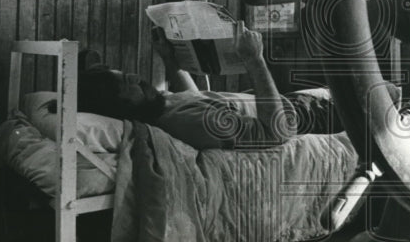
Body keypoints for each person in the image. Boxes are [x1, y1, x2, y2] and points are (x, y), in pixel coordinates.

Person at [77, 23, 341, 149]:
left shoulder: (161, 108)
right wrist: (254, 58)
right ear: (124, 108)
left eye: (125, 73)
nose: (135, 75)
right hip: (310, 115)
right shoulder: (189, 124)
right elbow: (276, 132)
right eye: (127, 82)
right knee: (378, 90)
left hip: (296, 101)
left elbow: (192, 98)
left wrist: (170, 60)